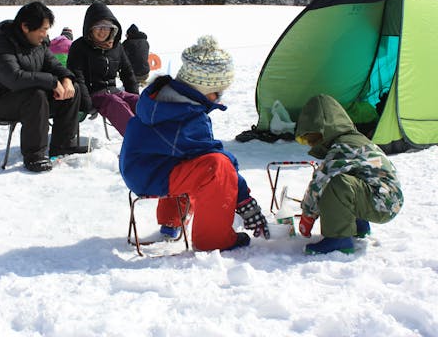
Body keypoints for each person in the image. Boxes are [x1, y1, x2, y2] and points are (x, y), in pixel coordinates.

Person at [119, 36, 270, 251]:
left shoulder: (165, 98)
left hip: (143, 167)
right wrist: (244, 199)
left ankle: (171, 221)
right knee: (216, 168)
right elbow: (216, 158)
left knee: (188, 161)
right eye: (219, 91)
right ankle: (214, 239)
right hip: (150, 174)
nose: (219, 98)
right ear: (204, 88)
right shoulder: (186, 116)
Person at [0, 2, 88, 173]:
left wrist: (66, 78)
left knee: (73, 90)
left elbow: (54, 65)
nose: (45, 34)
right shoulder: (1, 44)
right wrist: (52, 81)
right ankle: (35, 155)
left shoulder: (39, 43)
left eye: (47, 29)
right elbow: (14, 78)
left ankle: (63, 146)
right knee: (35, 95)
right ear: (25, 27)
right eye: (43, 29)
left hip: (25, 96)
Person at [295, 94, 403, 254]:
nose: (311, 145)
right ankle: (360, 226)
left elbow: (320, 180)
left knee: (337, 184)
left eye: (312, 139)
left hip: (382, 203)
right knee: (352, 180)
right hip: (387, 199)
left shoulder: (342, 147)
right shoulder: (354, 140)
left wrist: (308, 215)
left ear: (325, 131)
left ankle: (338, 239)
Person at [67, 2, 139, 136]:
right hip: (94, 94)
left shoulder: (117, 47)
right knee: (115, 103)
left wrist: (134, 94)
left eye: (107, 27)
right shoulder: (79, 46)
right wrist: (87, 104)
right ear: (90, 28)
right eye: (98, 27)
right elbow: (77, 77)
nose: (103, 31)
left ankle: (160, 138)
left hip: (114, 91)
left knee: (142, 103)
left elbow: (127, 73)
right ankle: (137, 141)